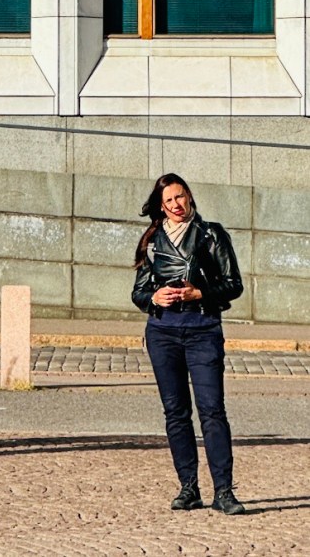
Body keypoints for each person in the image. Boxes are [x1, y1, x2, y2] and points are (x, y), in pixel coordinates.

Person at [132, 173, 246, 516]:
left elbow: (234, 284)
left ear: (190, 196)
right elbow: (138, 292)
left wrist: (200, 293)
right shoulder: (152, 241)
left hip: (202, 329)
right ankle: (189, 488)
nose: (175, 205)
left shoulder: (211, 234)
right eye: (168, 200)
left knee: (212, 410)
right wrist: (154, 297)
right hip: (163, 332)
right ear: (160, 206)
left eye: (179, 196)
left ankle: (224, 491)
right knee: (176, 412)